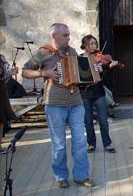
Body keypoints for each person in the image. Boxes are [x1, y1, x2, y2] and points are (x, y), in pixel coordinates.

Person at [22, 23, 95, 188]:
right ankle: (61, 176)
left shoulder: (72, 52)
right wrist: (44, 73)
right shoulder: (43, 52)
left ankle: (81, 175)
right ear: (55, 36)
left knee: (80, 141)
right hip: (54, 103)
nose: (69, 37)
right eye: (66, 35)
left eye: (69, 34)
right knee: (59, 143)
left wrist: (92, 70)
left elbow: (82, 74)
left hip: (76, 101)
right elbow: (25, 71)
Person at [79, 35, 116, 153]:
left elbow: (104, 76)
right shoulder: (79, 58)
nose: (94, 46)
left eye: (95, 43)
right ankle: (91, 144)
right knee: (88, 120)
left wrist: (106, 69)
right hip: (85, 93)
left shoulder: (99, 58)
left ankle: (107, 144)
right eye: (91, 44)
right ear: (85, 45)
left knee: (103, 120)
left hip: (98, 92)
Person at [0, 57, 17, 153]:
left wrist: (9, 72)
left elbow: (3, 76)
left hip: (2, 90)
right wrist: (10, 72)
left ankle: (0, 142)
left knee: (2, 119)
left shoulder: (1, 58)